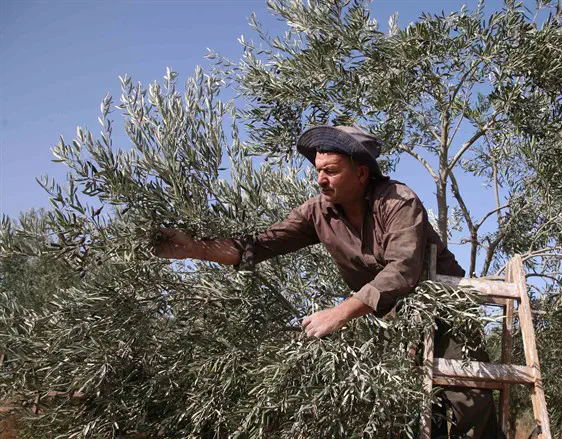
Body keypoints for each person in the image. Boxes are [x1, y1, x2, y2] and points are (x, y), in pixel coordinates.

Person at [153, 125, 502, 438]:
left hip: (440, 304)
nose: (321, 179)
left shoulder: (398, 201)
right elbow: (258, 245)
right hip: (391, 318)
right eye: (318, 171)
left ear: (361, 173)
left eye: (331, 171)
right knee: (399, 406)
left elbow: (403, 270)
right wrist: (194, 249)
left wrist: (338, 314)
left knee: (466, 399)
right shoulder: (317, 211)